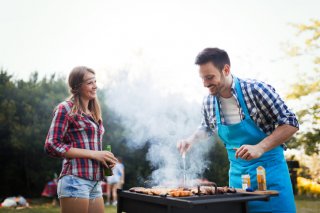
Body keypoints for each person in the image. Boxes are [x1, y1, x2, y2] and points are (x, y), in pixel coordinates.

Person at [177, 48, 299, 213]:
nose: (205, 84)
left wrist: (260, 147)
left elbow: (291, 122)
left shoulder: (256, 90)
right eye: (202, 78)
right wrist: (191, 139)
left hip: (271, 176)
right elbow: (206, 127)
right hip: (238, 180)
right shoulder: (208, 102)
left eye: (209, 77)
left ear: (226, 70)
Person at [45, 66, 118, 213]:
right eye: (90, 82)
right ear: (78, 86)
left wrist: (103, 159)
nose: (95, 86)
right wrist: (94, 154)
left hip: (95, 182)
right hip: (75, 180)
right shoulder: (65, 108)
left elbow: (92, 150)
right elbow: (51, 145)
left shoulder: (93, 114)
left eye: (95, 81)